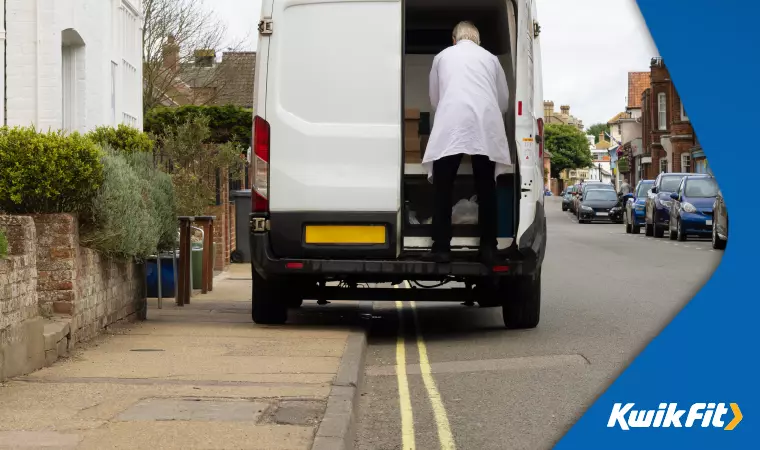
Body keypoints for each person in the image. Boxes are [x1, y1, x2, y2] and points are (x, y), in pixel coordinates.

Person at [422, 21, 511, 265]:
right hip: (485, 124)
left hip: (451, 124)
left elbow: (434, 98)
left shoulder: (442, 56)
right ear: (477, 40)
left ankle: (441, 249)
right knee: (486, 188)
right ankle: (488, 249)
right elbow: (503, 100)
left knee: (443, 188)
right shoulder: (491, 59)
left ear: (454, 39)